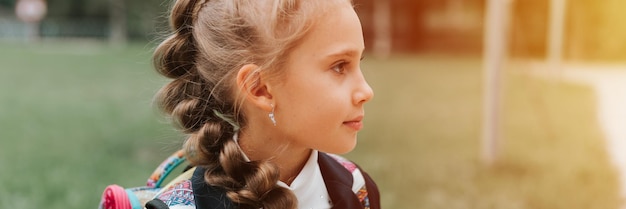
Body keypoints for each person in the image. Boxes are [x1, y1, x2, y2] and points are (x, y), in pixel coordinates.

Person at [152, 0, 379, 208]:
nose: (366, 91)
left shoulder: (359, 189)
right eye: (339, 66)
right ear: (259, 89)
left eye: (358, 62)